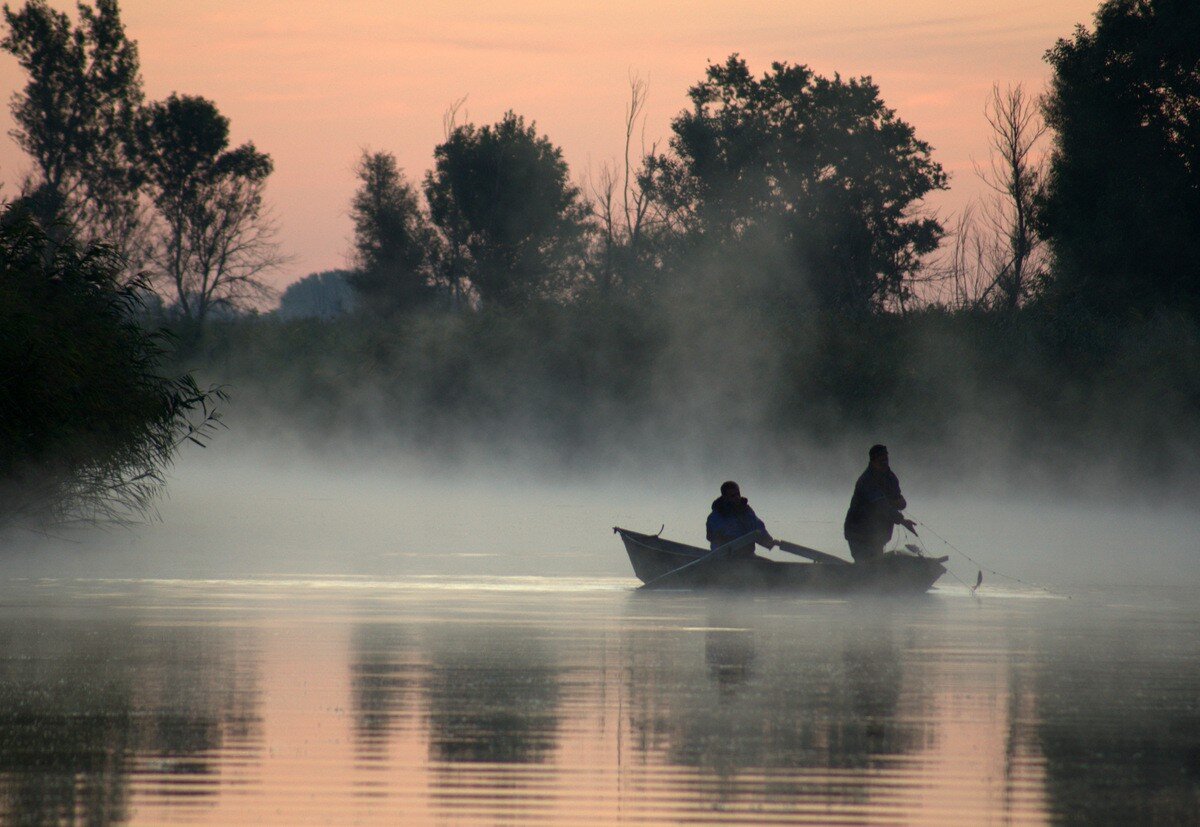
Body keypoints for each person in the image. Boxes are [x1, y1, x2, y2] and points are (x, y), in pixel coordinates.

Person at [843, 444, 917, 562]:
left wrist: (901, 503)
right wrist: (902, 520)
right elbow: (880, 506)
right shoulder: (866, 481)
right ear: (873, 460)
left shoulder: (891, 478)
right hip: (858, 533)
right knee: (866, 566)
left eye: (886, 458)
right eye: (881, 459)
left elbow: (898, 499)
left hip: (878, 536)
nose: (884, 462)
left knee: (875, 565)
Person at [706, 481, 776, 557]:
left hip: (747, 556)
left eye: (738, 494)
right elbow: (714, 538)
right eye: (732, 496)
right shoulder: (716, 516)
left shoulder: (747, 512)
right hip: (724, 557)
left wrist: (767, 540)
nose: (737, 498)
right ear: (725, 497)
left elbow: (758, 527)